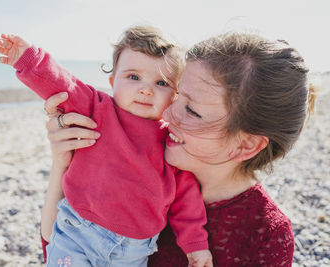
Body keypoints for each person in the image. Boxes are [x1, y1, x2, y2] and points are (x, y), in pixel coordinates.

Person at [40, 32, 316, 266]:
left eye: (192, 111)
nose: (168, 114)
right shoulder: (137, 154)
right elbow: (57, 247)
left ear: (246, 144)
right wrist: (64, 162)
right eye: (177, 94)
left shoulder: (265, 234)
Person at [0, 26, 213, 266]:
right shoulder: (98, 108)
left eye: (161, 82)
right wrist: (28, 59)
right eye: (133, 77)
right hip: (77, 232)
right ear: (112, 81)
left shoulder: (171, 141)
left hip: (133, 251)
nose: (146, 89)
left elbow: (187, 201)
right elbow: (63, 84)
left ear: (175, 95)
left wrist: (196, 246)